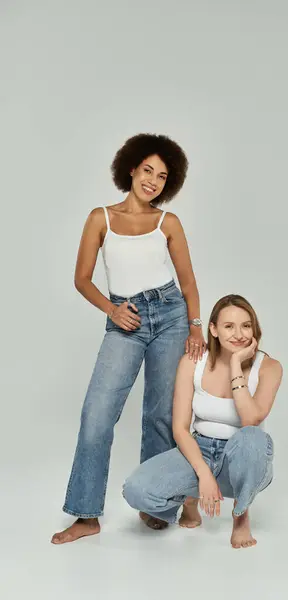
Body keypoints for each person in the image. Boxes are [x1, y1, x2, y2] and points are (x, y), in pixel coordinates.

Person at [51, 133, 207, 544]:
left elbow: (188, 284)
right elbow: (81, 279)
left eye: (162, 176)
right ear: (131, 168)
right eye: (147, 170)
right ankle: (86, 515)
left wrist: (195, 326)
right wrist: (112, 310)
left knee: (160, 414)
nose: (153, 180)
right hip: (126, 318)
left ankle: (154, 504)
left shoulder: (167, 223)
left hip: (171, 316)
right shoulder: (100, 218)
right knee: (97, 414)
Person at [123, 294, 283, 548]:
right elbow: (180, 428)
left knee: (251, 436)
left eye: (246, 325)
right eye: (229, 326)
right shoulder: (192, 362)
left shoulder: (269, 367)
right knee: (135, 490)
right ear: (213, 329)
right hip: (200, 451)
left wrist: (234, 364)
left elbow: (251, 418)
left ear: (255, 329)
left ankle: (240, 515)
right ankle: (190, 498)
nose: (239, 334)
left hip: (244, 459)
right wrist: (203, 474)